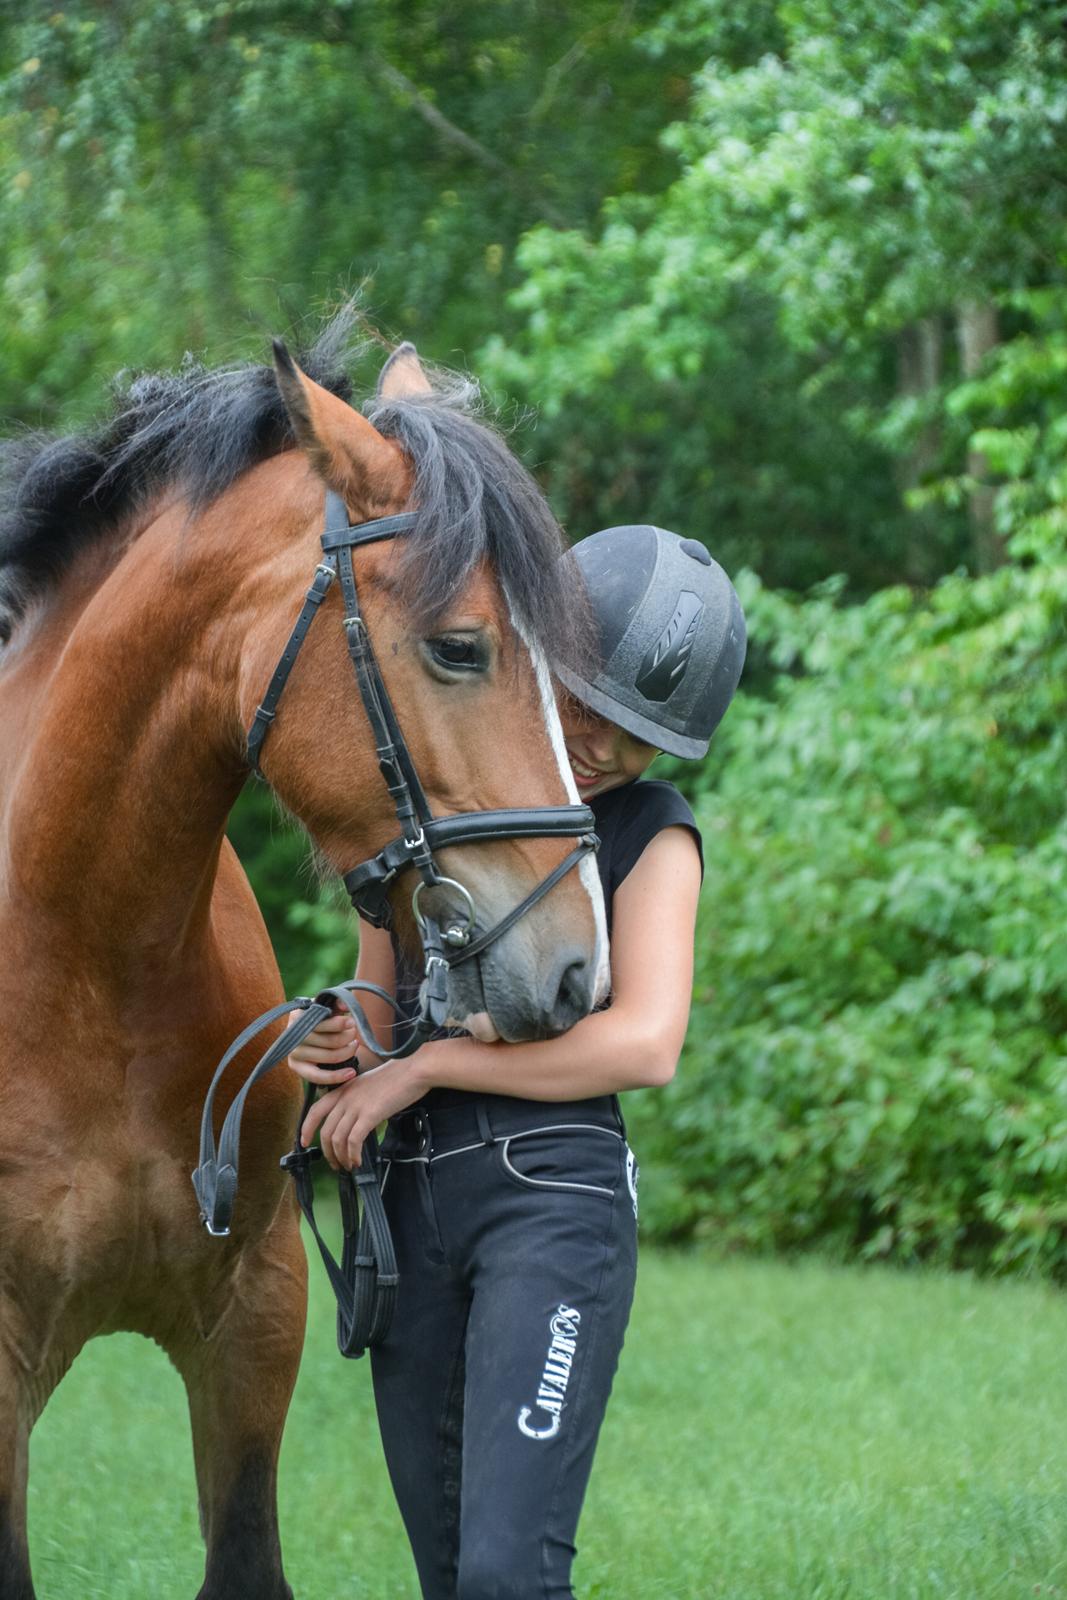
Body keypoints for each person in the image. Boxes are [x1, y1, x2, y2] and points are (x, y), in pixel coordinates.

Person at [287, 522, 746, 1600]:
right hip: (408, 1206)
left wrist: (429, 1068)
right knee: (445, 1574)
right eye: (586, 703)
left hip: (551, 1201)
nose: (601, 748)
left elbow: (646, 1041)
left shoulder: (649, 833)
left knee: (505, 1573)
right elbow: (377, 988)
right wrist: (349, 1037)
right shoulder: (434, 817)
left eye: (638, 736)